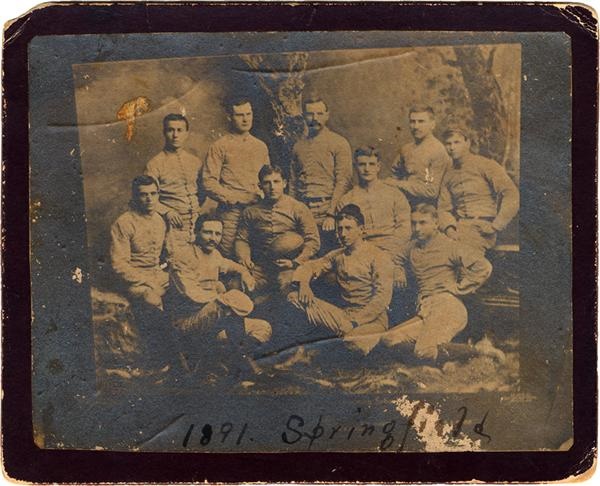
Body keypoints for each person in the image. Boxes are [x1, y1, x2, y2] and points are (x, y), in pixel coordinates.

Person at [380, 204, 492, 360]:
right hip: (426, 310)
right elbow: (395, 258)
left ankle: (479, 352)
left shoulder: (449, 245)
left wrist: (459, 288)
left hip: (448, 308)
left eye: (423, 223)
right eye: (414, 223)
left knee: (423, 351)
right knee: (389, 339)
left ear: (436, 224)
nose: (417, 228)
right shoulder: (412, 247)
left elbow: (484, 266)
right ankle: (442, 356)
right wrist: (399, 272)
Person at [167, 214, 272, 373]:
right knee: (229, 303)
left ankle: (237, 356)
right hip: (188, 322)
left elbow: (230, 265)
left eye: (218, 234)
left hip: (216, 320)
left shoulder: (215, 255)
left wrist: (244, 272)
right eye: (208, 232)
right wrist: (223, 298)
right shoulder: (183, 257)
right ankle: (241, 363)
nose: (213, 238)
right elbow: (192, 294)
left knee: (263, 328)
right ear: (196, 232)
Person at [288, 204, 393, 355]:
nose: (343, 234)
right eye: (340, 229)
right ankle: (321, 346)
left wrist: (355, 322)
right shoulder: (337, 255)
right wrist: (304, 284)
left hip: (372, 320)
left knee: (353, 343)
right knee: (294, 297)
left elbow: (382, 299)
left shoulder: (379, 256)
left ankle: (354, 344)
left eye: (348, 228)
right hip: (344, 315)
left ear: (361, 229)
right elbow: (310, 266)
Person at [109, 175, 171, 373]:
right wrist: (148, 281)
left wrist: (166, 270)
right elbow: (119, 265)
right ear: (135, 197)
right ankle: (161, 358)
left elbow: (163, 257)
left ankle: (192, 351)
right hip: (134, 279)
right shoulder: (124, 223)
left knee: (185, 289)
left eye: (153, 194)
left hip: (156, 273)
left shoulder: (160, 221)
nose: (149, 199)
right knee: (151, 298)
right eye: (143, 195)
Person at [235, 165, 320, 302]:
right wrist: (244, 258)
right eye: (267, 183)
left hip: (289, 265)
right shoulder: (250, 212)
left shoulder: (298, 208)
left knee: (287, 287)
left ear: (284, 183)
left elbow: (313, 240)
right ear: (260, 186)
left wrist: (295, 262)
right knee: (237, 286)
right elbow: (241, 239)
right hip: (262, 265)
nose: (272, 187)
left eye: (276, 182)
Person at [202, 97, 271, 257]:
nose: (246, 119)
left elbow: (268, 178)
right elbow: (208, 182)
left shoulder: (260, 147)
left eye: (249, 113)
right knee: (230, 256)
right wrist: (238, 198)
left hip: (257, 211)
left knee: (257, 256)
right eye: (240, 115)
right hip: (231, 213)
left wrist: (262, 197)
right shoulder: (220, 146)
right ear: (230, 117)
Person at [336, 146, 412, 289]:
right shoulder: (347, 200)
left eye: (371, 164)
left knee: (397, 280)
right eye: (362, 164)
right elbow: (342, 235)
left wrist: (393, 260)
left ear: (378, 167)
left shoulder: (394, 194)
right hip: (362, 252)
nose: (367, 169)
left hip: (392, 251)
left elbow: (404, 230)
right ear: (355, 167)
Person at [438, 126, 519, 254]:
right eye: (448, 143)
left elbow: (511, 194)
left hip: (483, 228)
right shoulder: (448, 175)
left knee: (460, 255)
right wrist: (449, 229)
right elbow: (443, 209)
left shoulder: (486, 165)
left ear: (467, 143)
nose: (452, 147)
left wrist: (496, 225)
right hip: (458, 228)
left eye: (456, 142)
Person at [289, 95, 353, 253]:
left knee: (329, 257)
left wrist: (331, 214)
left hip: (328, 210)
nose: (314, 118)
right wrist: (293, 213)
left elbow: (343, 181)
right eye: (310, 114)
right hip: (303, 211)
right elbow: (293, 183)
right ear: (304, 116)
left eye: (319, 114)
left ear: (327, 114)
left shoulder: (339, 143)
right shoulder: (298, 146)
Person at [145, 114, 204, 255]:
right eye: (170, 130)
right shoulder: (155, 163)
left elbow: (202, 192)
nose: (175, 135)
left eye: (180, 130)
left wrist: (194, 209)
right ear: (164, 133)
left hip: (196, 223)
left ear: (186, 133)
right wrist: (167, 211)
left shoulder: (195, 162)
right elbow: (146, 197)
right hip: (170, 225)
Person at [385, 104, 451, 206]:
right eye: (412, 122)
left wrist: (398, 184)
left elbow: (431, 191)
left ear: (432, 124)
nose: (416, 126)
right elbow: (393, 176)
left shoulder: (438, 150)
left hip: (427, 208)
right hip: (402, 203)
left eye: (421, 121)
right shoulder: (406, 149)